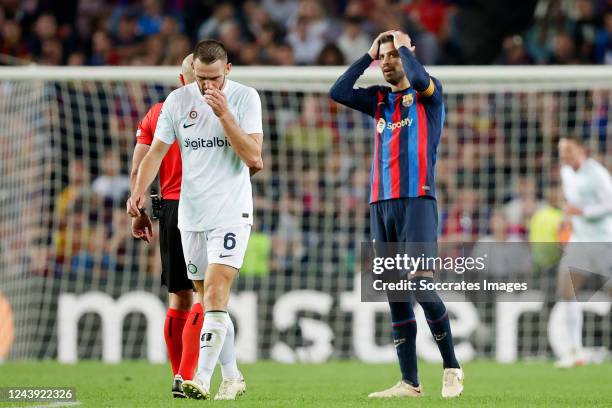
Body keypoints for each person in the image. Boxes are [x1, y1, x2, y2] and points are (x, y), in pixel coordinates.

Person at [329, 30, 463, 398]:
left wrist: (403, 47)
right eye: (383, 57)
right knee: (395, 293)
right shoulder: (379, 100)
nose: (388, 62)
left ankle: (452, 367)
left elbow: (418, 77)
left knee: (419, 284)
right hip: (380, 204)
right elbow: (338, 92)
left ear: (409, 53)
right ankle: (409, 382)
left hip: (417, 200)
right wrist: (367, 54)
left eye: (394, 55)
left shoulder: (428, 93)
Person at [127, 39, 263, 401]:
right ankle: (232, 375)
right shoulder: (177, 101)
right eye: (201, 79)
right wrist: (138, 191)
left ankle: (200, 378)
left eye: (214, 78)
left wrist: (224, 115)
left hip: (231, 212)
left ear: (228, 70)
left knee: (216, 291)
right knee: (207, 299)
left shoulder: (245, 98)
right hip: (190, 215)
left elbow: (254, 158)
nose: (207, 86)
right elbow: (155, 152)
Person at [129, 54, 208, 398]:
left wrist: (138, 209)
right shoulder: (218, 109)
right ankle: (193, 375)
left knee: (179, 298)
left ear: (180, 79)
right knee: (209, 295)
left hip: (171, 208)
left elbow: (140, 168)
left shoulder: (157, 113)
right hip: (208, 206)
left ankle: (179, 374)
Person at [555, 135, 612, 368]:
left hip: (604, 241)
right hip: (580, 241)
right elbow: (572, 202)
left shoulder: (597, 173)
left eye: (567, 149)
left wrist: (583, 212)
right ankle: (575, 350)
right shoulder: (566, 172)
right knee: (566, 290)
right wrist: (567, 218)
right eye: (561, 150)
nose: (563, 154)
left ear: (581, 150)